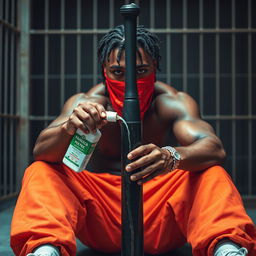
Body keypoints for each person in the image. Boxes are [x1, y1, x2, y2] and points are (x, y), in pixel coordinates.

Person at [11, 25, 256, 256]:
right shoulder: (84, 103)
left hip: (160, 218)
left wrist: (170, 156)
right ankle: (45, 249)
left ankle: (226, 247)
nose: (129, 81)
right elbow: (41, 153)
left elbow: (214, 148)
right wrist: (68, 127)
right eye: (118, 72)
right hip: (102, 216)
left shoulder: (172, 102)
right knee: (41, 171)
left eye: (140, 71)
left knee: (210, 172)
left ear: (155, 67)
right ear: (104, 71)